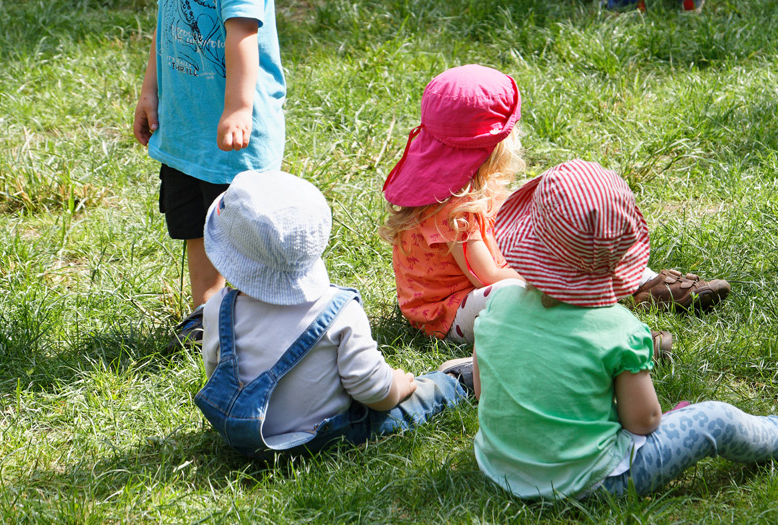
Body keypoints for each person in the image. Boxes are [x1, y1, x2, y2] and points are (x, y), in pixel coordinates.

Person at [446, 161, 778, 499]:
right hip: (592, 482)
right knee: (716, 419)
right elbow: (644, 423)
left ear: (529, 240)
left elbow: (484, 392)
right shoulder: (618, 328)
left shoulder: (497, 303)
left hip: (500, 470)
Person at [379, 64, 727, 346]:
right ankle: (606, 342)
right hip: (452, 310)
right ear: (491, 146)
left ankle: (645, 285)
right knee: (514, 292)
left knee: (576, 219)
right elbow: (487, 276)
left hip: (490, 279)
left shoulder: (470, 183)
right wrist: (552, 274)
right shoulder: (453, 209)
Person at [194, 170, 470, 457]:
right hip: (321, 439)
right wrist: (396, 387)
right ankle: (458, 381)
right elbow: (372, 392)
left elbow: (220, 374)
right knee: (420, 397)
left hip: (243, 436)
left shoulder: (217, 308)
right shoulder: (338, 311)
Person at [132, 0, 286, 350]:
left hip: (235, 140)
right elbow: (166, 27)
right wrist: (149, 91)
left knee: (245, 231)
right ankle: (206, 313)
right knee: (197, 225)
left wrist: (238, 108)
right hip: (186, 130)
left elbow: (243, 33)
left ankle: (258, 318)